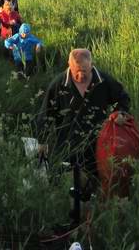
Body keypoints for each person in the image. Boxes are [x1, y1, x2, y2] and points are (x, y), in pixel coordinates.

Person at [35, 48, 130, 195]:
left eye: (85, 71)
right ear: (69, 65)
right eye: (77, 71)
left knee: (94, 189)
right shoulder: (59, 84)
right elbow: (45, 114)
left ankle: (93, 212)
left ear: (91, 65)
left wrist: (120, 113)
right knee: (68, 190)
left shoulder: (103, 81)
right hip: (67, 147)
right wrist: (42, 141)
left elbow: (123, 97)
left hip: (97, 146)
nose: (81, 75)